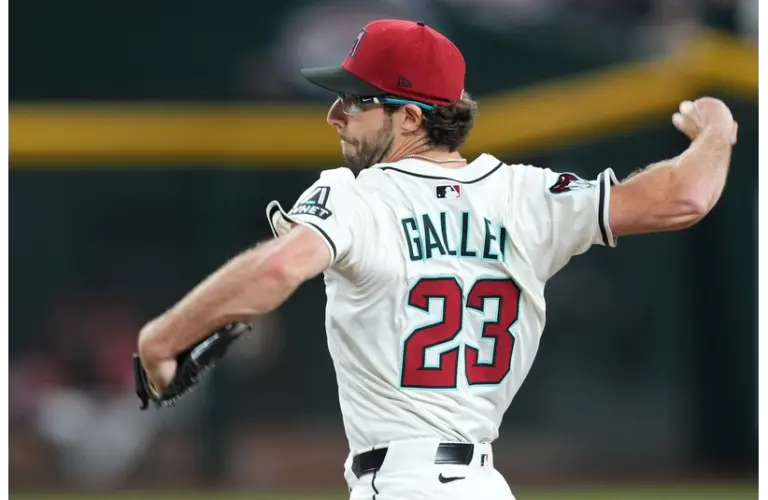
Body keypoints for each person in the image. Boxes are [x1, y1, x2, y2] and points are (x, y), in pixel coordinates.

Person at [136, 18, 738, 500]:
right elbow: (685, 196)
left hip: (398, 483)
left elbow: (273, 270)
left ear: (410, 116)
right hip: (484, 485)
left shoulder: (353, 195)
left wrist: (161, 339)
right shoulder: (528, 196)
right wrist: (718, 132)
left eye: (355, 100)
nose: (335, 115)